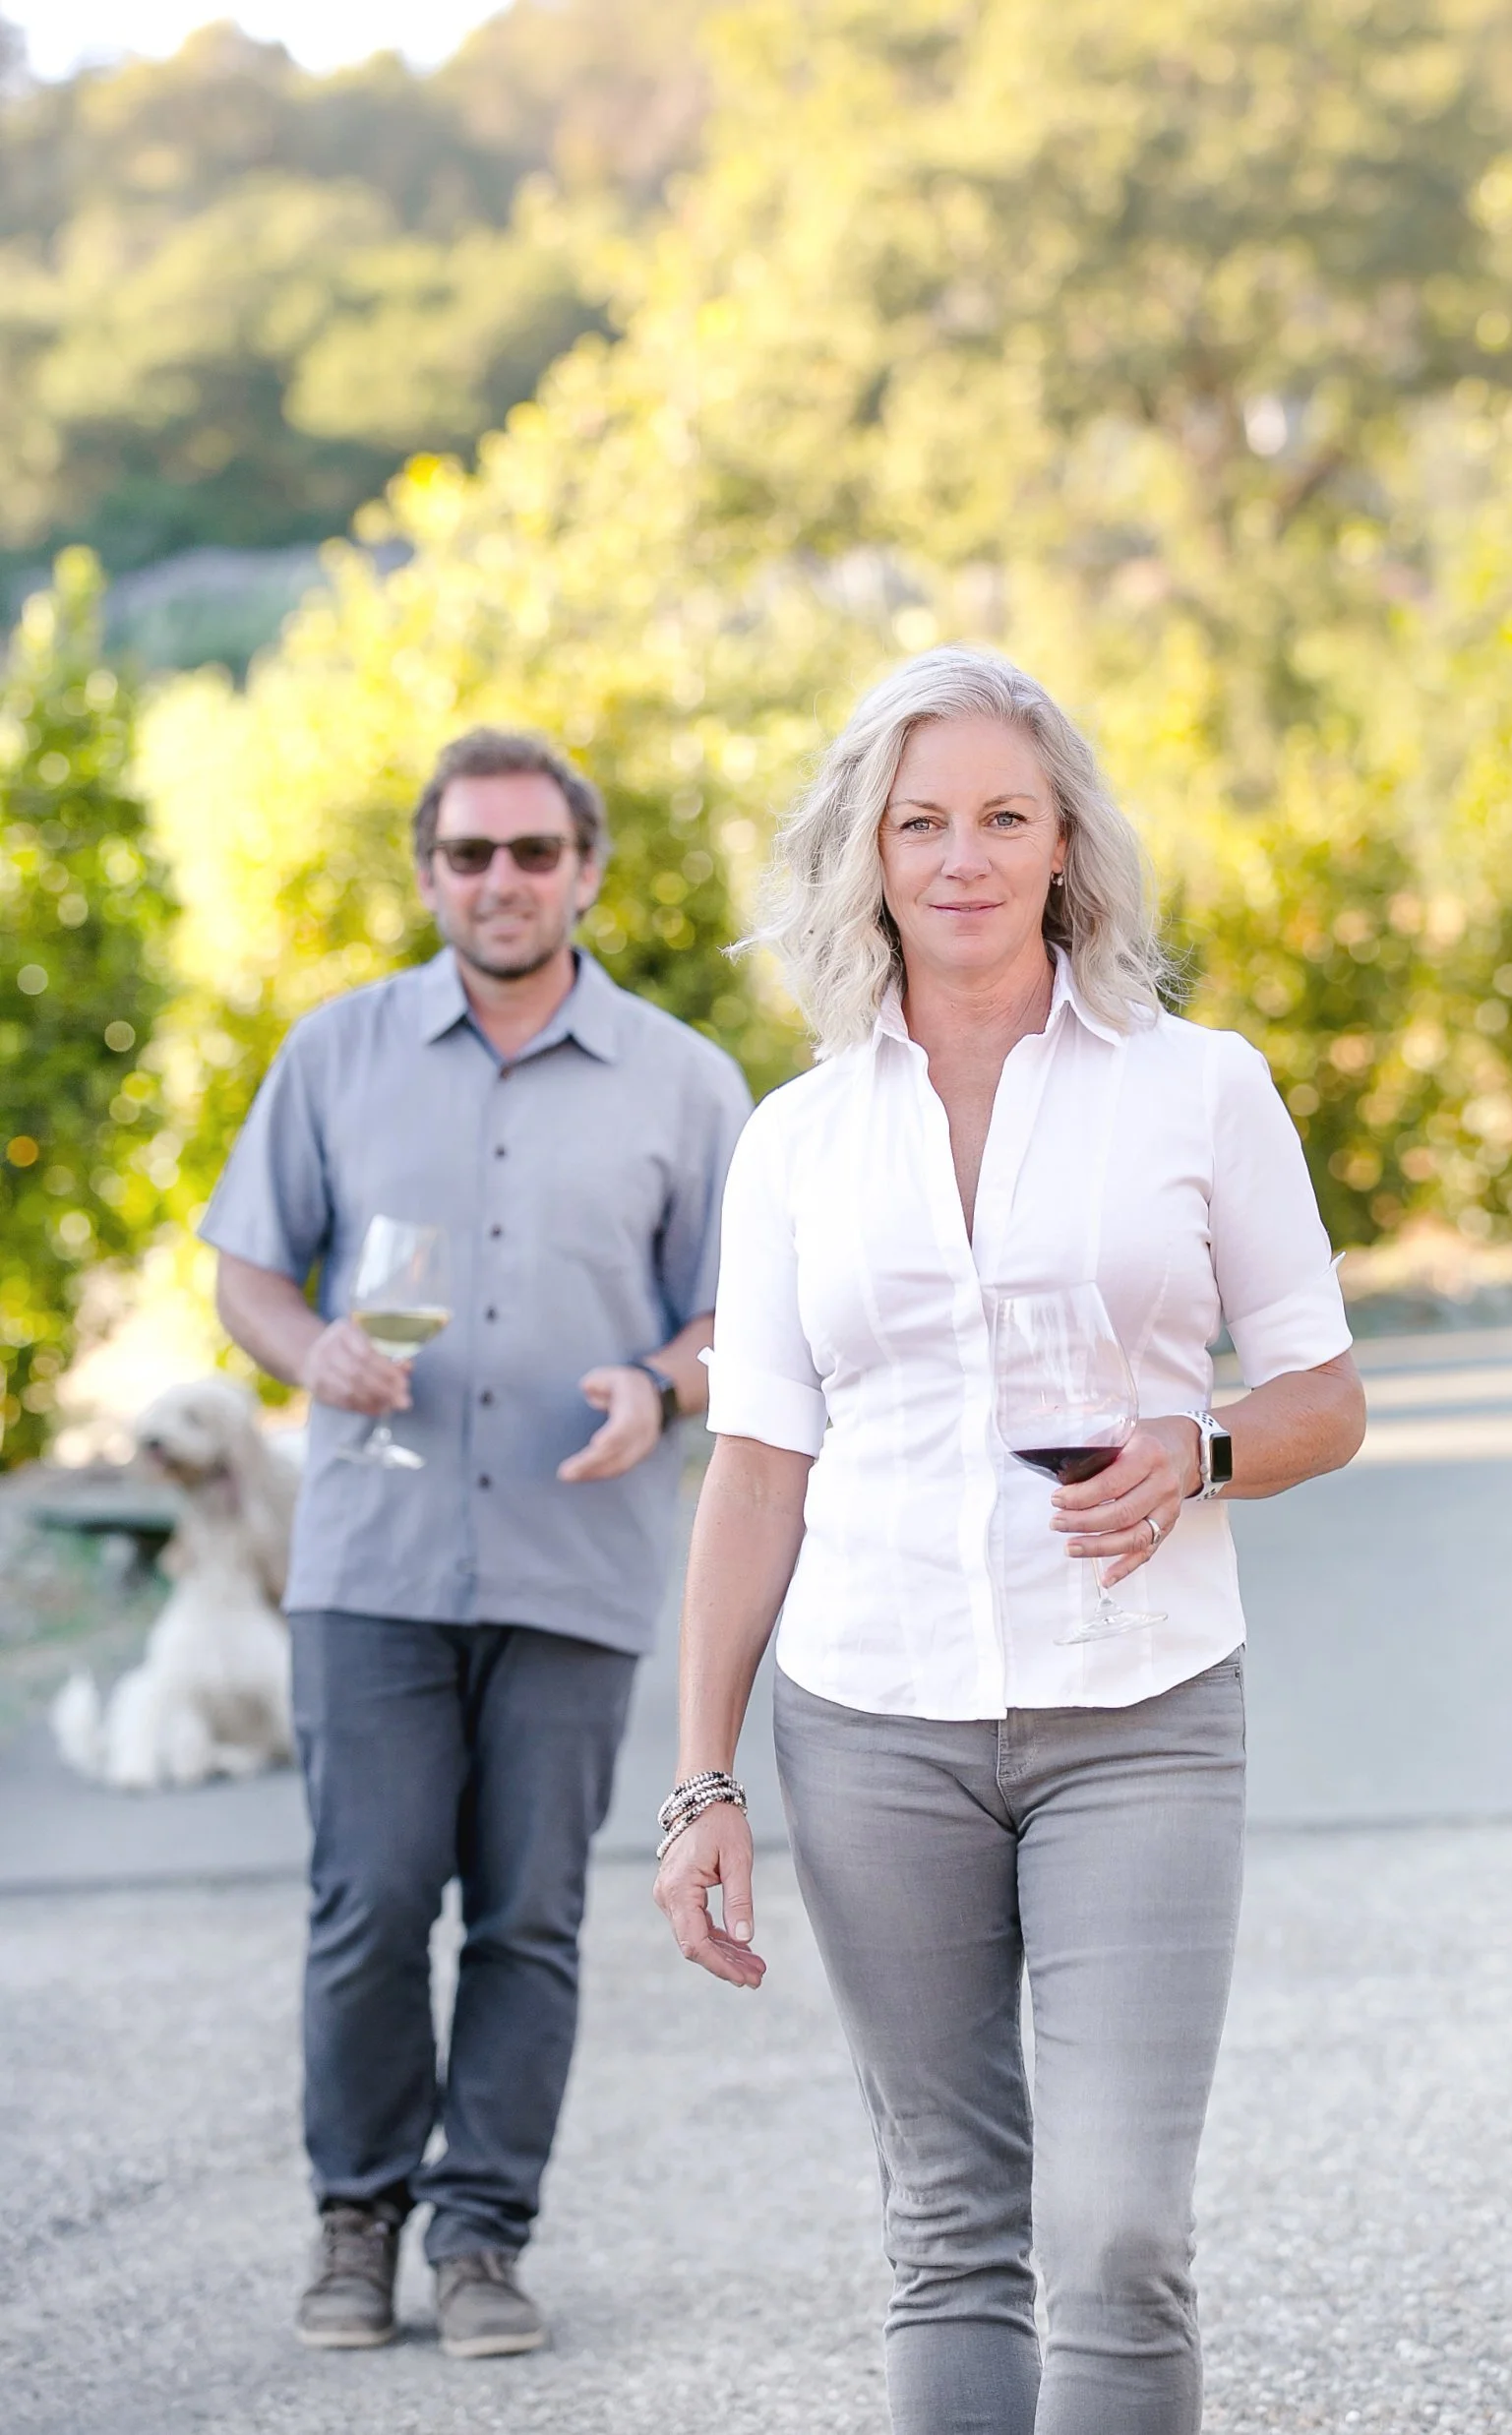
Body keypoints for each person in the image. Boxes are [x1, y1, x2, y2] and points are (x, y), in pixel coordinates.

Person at [655, 647, 1365, 2434]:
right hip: (871, 1715)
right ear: (867, 856)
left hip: (1137, 1705)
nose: (959, 855)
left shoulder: (1196, 1085)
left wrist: (1194, 1444)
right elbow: (754, 1464)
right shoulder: (796, 1137)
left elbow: (1323, 1398)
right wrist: (700, 1779)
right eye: (919, 821)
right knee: (951, 2228)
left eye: (1000, 815)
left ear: (1064, 848)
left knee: (1115, 2228)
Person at [204, 727, 751, 2360]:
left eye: (530, 852)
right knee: (369, 1898)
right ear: (430, 870)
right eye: (468, 854)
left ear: (583, 868)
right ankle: (355, 2219)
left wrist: (661, 1385)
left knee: (528, 1913)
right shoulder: (337, 1054)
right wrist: (307, 1351)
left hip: (573, 1565)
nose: (499, 880)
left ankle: (483, 2234)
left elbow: (743, 1321)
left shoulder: (682, 1078)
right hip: (366, 1561)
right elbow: (244, 1268)